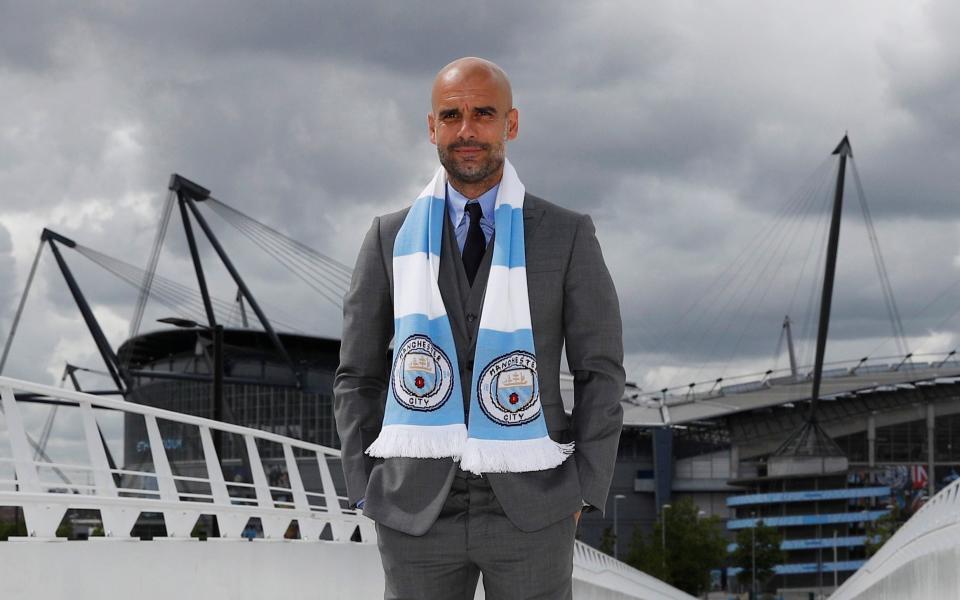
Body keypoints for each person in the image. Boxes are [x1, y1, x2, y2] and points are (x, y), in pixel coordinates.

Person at [334, 57, 624, 600]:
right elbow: (357, 374)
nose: (466, 131)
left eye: (483, 114)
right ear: (431, 128)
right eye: (451, 116)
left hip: (534, 506)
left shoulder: (567, 235)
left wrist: (584, 487)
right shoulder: (387, 237)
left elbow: (600, 371)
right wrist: (363, 485)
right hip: (414, 508)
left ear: (510, 124)